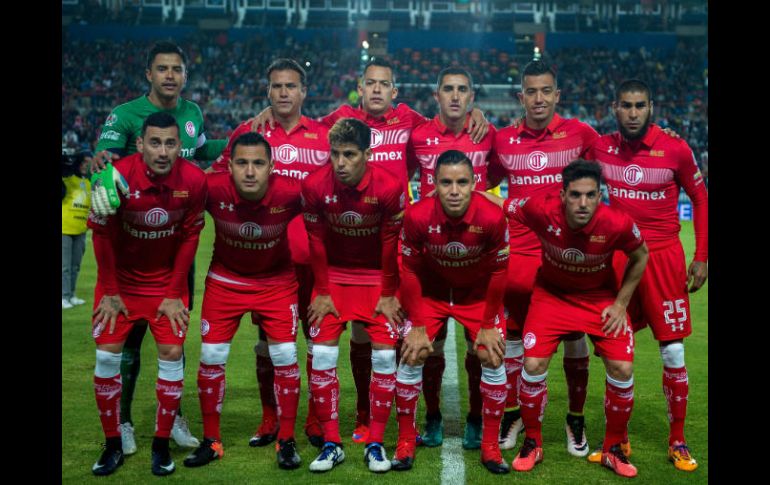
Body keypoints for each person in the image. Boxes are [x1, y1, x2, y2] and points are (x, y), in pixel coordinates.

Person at [253, 58, 489, 443]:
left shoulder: (411, 122)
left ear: (394, 91)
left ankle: (394, 414)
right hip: (346, 244)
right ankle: (360, 413)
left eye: (384, 84)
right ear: (359, 89)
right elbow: (300, 120)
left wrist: (474, 112)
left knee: (389, 332)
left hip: (397, 242)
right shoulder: (339, 120)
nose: (377, 90)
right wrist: (272, 114)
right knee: (348, 334)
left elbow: (447, 119)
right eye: (370, 83)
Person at [91, 40, 226, 454]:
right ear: (149, 74)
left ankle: (173, 415)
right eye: (162, 68)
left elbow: (201, 151)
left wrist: (242, 137)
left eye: (177, 69)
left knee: (174, 337)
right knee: (127, 339)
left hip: (175, 249)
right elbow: (103, 161)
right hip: (132, 251)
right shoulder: (125, 115)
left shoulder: (192, 113)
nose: (170, 75)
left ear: (185, 75)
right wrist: (96, 164)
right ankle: (124, 421)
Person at [486, 159, 648, 478]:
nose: (583, 203)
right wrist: (466, 191)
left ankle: (613, 448)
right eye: (575, 195)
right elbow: (502, 203)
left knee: (622, 368)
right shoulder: (539, 209)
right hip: (551, 296)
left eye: (590, 195)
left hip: (599, 299)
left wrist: (621, 304)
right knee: (533, 364)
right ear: (563, 195)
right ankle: (533, 442)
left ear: (600, 195)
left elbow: (640, 255)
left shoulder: (617, 222)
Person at [209, 59, 330, 448]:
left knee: (317, 341)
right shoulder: (249, 133)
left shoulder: (324, 136)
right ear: (267, 91)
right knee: (269, 344)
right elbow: (216, 177)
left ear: (304, 92)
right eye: (276, 86)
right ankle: (269, 417)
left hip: (312, 259)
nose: (283, 93)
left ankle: (313, 418)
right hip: (268, 263)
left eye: (290, 86)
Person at [588, 79, 707, 472]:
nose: (633, 112)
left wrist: (702, 256)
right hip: (620, 258)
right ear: (614, 108)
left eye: (640, 105)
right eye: (626, 105)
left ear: (651, 106)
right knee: (615, 353)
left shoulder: (676, 148)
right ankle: (616, 440)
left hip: (664, 258)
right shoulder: (601, 147)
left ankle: (678, 440)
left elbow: (700, 198)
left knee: (672, 351)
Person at [487, 59, 600, 454]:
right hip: (518, 252)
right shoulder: (503, 140)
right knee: (514, 334)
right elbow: (483, 179)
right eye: (531, 91)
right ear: (521, 96)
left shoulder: (580, 134)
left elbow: (616, 155)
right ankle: (514, 413)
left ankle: (575, 418)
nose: (538, 98)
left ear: (557, 95)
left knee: (575, 334)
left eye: (545, 91)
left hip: (565, 253)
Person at [88, 112, 207, 476]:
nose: (163, 151)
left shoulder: (194, 180)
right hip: (120, 286)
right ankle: (112, 444)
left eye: (170, 143)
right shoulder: (117, 176)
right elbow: (101, 235)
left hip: (165, 286)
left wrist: (173, 293)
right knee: (106, 357)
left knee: (171, 354)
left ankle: (160, 444)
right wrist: (110, 292)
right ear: (140, 144)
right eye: (155, 142)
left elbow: (190, 237)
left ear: (179, 146)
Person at [183, 132, 304, 470]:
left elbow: (330, 201)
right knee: (211, 356)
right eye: (242, 163)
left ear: (272, 167)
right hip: (226, 281)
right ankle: (211, 441)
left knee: (285, 356)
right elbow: (175, 181)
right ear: (230, 166)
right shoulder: (212, 187)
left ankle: (287, 440)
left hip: (277, 283)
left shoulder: (292, 191)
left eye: (258, 163)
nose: (250, 171)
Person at [395, 150, 510, 473]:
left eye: (462, 182)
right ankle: (410, 436)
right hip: (431, 293)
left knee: (490, 354)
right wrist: (418, 325)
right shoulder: (417, 216)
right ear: (433, 184)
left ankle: (487, 440)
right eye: (446, 183)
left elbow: (500, 271)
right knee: (413, 353)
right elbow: (409, 270)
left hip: (475, 294)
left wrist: (488, 324)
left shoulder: (492, 217)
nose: (454, 190)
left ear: (474, 184)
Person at [301, 118, 405, 473]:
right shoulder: (314, 185)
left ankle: (376, 443)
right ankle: (332, 443)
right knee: (322, 356)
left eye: (349, 154)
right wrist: (322, 291)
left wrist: (389, 294)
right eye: (335, 154)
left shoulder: (390, 187)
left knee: (385, 359)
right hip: (333, 279)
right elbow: (316, 241)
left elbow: (390, 243)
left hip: (377, 279)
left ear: (367, 154)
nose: (340, 162)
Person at [405, 67, 498, 449]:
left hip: (475, 261)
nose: (455, 96)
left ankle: (476, 418)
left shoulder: (487, 134)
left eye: (462, 90)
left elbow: (500, 178)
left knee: (482, 351)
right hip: (432, 260)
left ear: (472, 97)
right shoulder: (418, 135)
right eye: (448, 89)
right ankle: (432, 417)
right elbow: (397, 172)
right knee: (429, 348)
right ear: (437, 95)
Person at [62, 149, 92, 309]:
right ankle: (63, 296)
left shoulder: (88, 183)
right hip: (64, 228)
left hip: (80, 229)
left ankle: (72, 295)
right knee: (64, 267)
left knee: (75, 266)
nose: (86, 165)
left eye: (89, 163)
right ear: (78, 162)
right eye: (84, 162)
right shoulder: (67, 179)